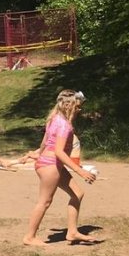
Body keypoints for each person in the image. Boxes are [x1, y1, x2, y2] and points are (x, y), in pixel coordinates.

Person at [23, 90, 97, 246]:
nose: (79, 109)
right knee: (44, 201)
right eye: (77, 106)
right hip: (51, 165)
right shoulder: (64, 125)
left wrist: (36, 155)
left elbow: (44, 144)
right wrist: (80, 171)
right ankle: (29, 237)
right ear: (68, 106)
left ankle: (72, 232)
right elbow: (59, 151)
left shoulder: (54, 119)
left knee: (77, 194)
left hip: (48, 162)